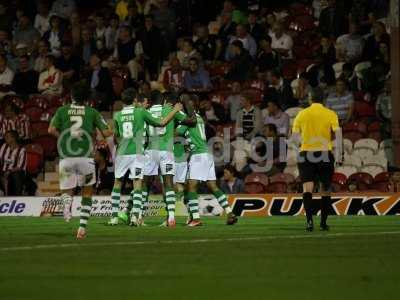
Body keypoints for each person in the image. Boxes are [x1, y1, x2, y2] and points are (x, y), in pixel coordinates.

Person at [109, 88, 183, 227]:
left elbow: (116, 136)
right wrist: (175, 110)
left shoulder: (117, 115)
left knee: (124, 183)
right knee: (164, 182)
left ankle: (121, 217)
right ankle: (169, 217)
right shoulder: (142, 112)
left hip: (137, 151)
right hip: (152, 151)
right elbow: (165, 123)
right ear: (135, 100)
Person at [48, 82, 113, 240]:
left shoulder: (62, 110)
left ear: (71, 96)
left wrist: (63, 138)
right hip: (86, 159)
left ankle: (66, 207)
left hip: (66, 158)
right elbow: (106, 132)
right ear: (87, 98)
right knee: (87, 193)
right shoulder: (92, 112)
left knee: (66, 191)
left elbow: (50, 130)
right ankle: (82, 228)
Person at [180, 96, 238, 227]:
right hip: (207, 154)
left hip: (198, 155)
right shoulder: (199, 118)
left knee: (191, 186)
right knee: (213, 186)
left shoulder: (188, 120)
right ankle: (230, 212)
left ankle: (195, 218)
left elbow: (176, 133)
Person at [291, 87, 342, 231]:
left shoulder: (301, 114)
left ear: (310, 99)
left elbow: (294, 139)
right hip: (325, 153)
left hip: (306, 153)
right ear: (323, 99)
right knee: (325, 189)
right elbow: (338, 134)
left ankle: (309, 222)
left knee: (307, 188)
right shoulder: (330, 114)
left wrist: (300, 149)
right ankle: (323, 223)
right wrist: (340, 154)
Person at [141, 91, 194, 227]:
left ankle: (139, 216)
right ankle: (171, 217)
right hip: (166, 151)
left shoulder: (145, 111)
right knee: (169, 183)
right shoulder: (170, 109)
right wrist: (188, 105)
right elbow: (190, 121)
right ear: (164, 100)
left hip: (151, 150)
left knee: (145, 183)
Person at [0, 130, 26, 196]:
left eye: (7, 137)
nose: (5, 138)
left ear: (13, 138)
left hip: (15, 172)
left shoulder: (22, 150)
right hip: (3, 171)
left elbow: (20, 167)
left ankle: (17, 196)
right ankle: (6, 194)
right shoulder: (4, 146)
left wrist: (9, 171)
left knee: (15, 175)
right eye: (5, 137)